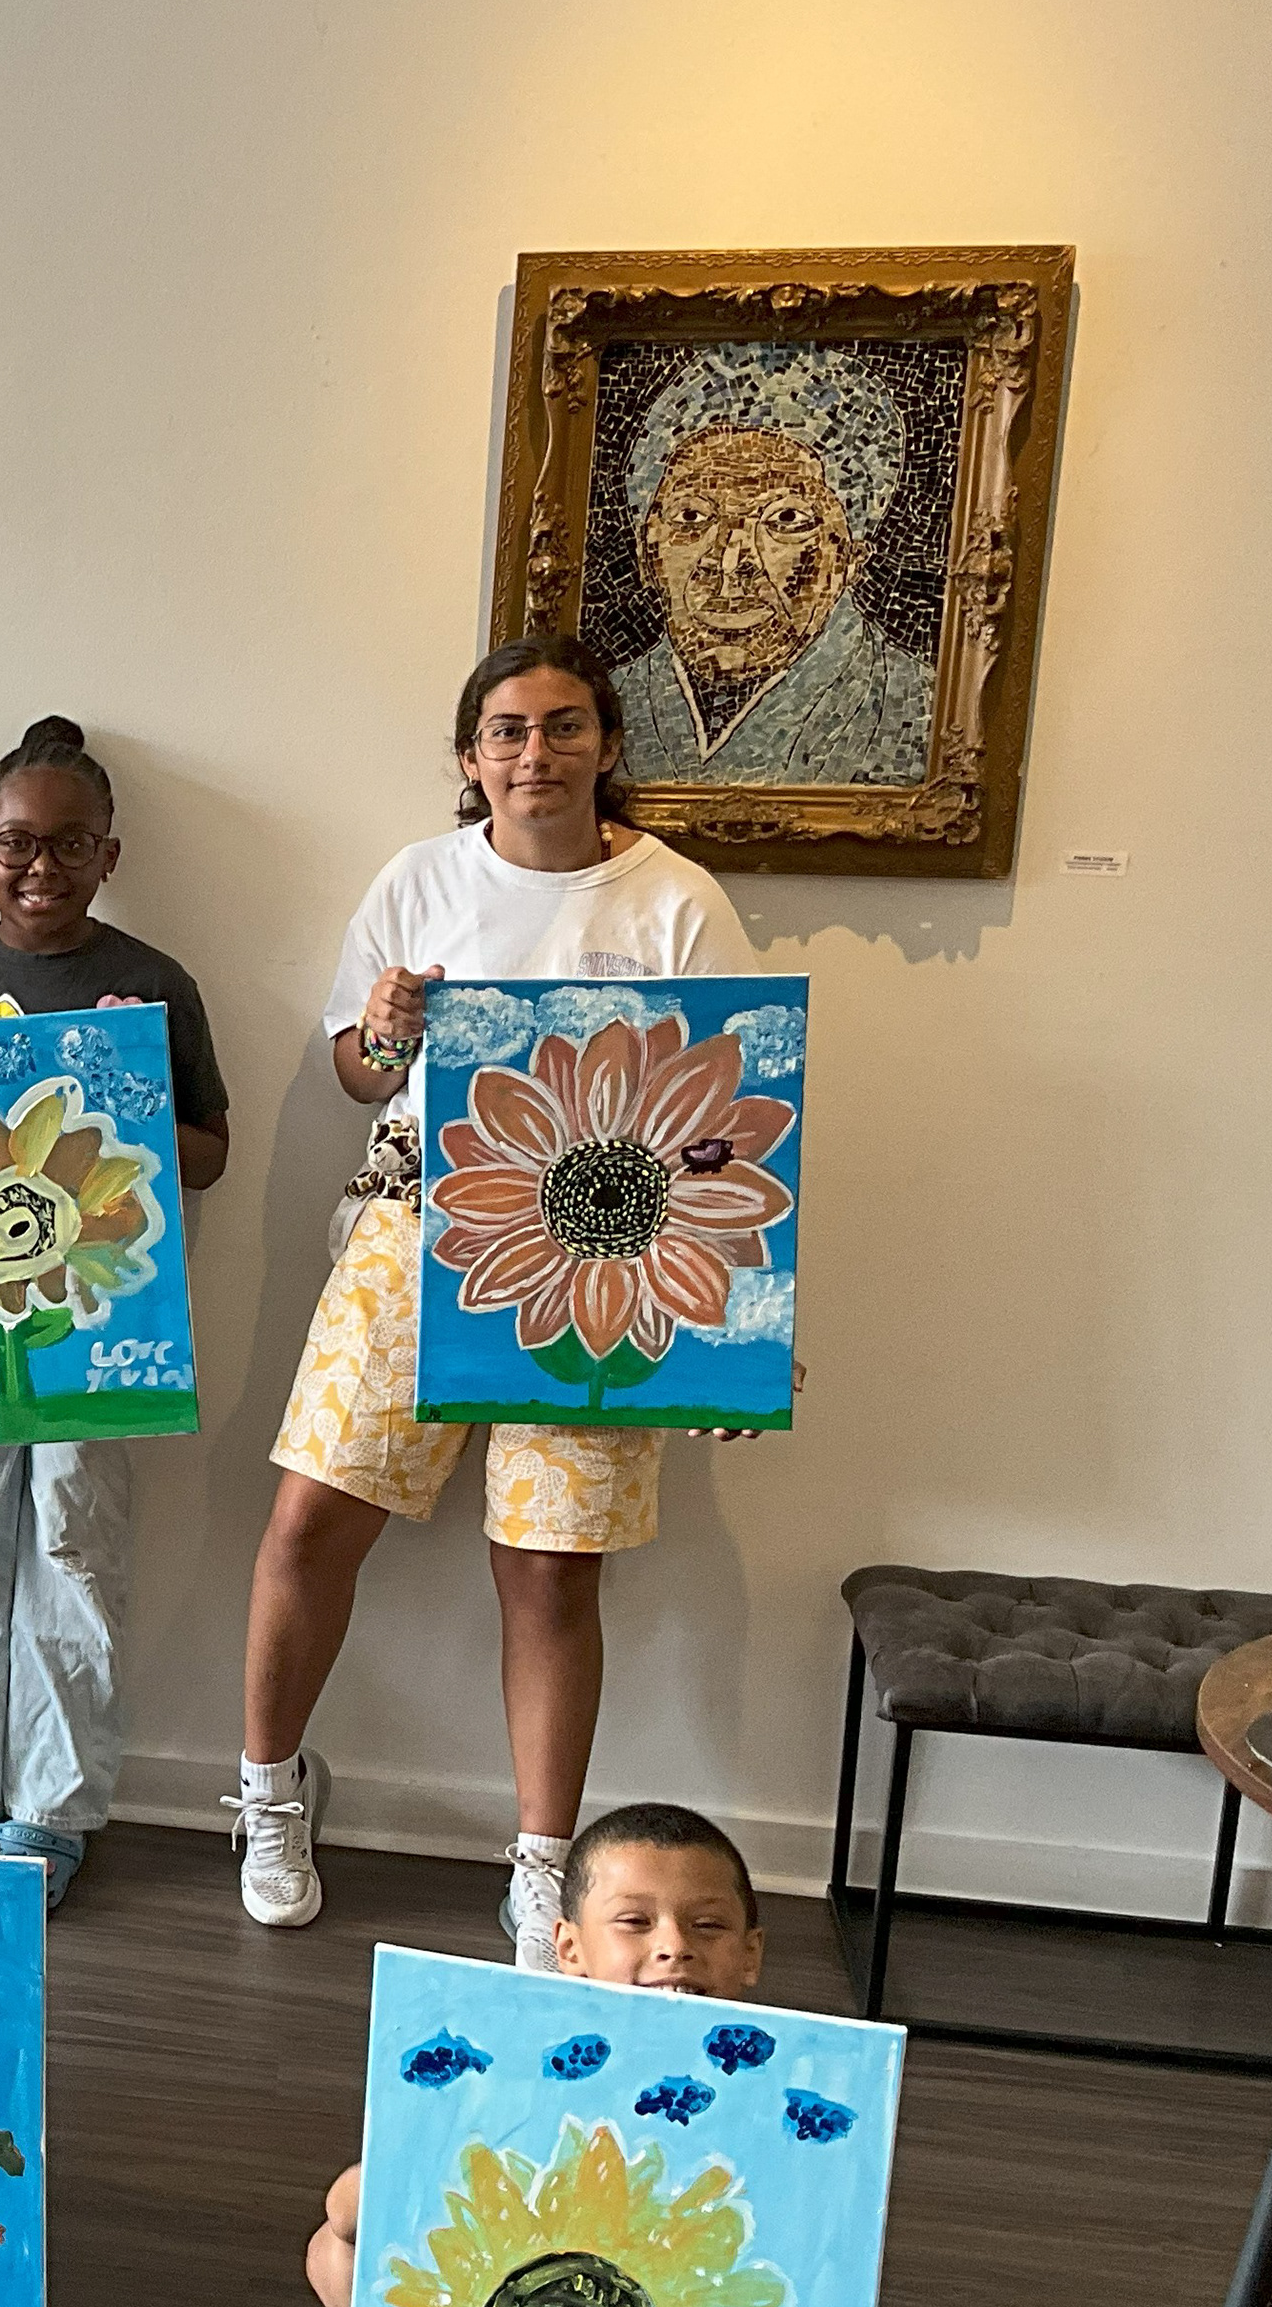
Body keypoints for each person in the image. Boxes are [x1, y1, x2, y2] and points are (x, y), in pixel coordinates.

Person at [234, 635, 761, 1964]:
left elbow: (744, 1107)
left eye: (564, 726)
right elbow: (357, 1071)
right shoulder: (420, 879)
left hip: (605, 1265)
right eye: (509, 731)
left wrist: (740, 1320)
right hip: (416, 1234)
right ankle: (268, 1796)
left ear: (608, 742)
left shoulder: (677, 901)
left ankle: (545, 1867)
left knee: (548, 1571)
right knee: (308, 1522)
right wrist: (391, 1031)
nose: (537, 753)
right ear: (471, 759)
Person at [0, 717, 228, 1912]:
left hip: (103, 1322)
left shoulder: (158, 983)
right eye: (16, 845)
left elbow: (209, 1154)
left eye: (70, 846)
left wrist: (116, 1081)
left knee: (76, 1547)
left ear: (109, 854)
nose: (41, 869)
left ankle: (54, 1806)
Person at [303, 1801, 766, 2307]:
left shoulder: (781, 2104)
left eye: (708, 1924)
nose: (674, 1945)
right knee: (337, 2245)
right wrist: (371, 2194)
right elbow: (347, 2244)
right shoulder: (510, 2080)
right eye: (635, 1921)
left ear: (751, 1953)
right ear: (569, 1949)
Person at [607, 347, 935, 788]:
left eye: (785, 520)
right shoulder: (606, 704)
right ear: (650, 550)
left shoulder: (921, 708)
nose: (729, 562)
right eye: (692, 517)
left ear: (847, 558)